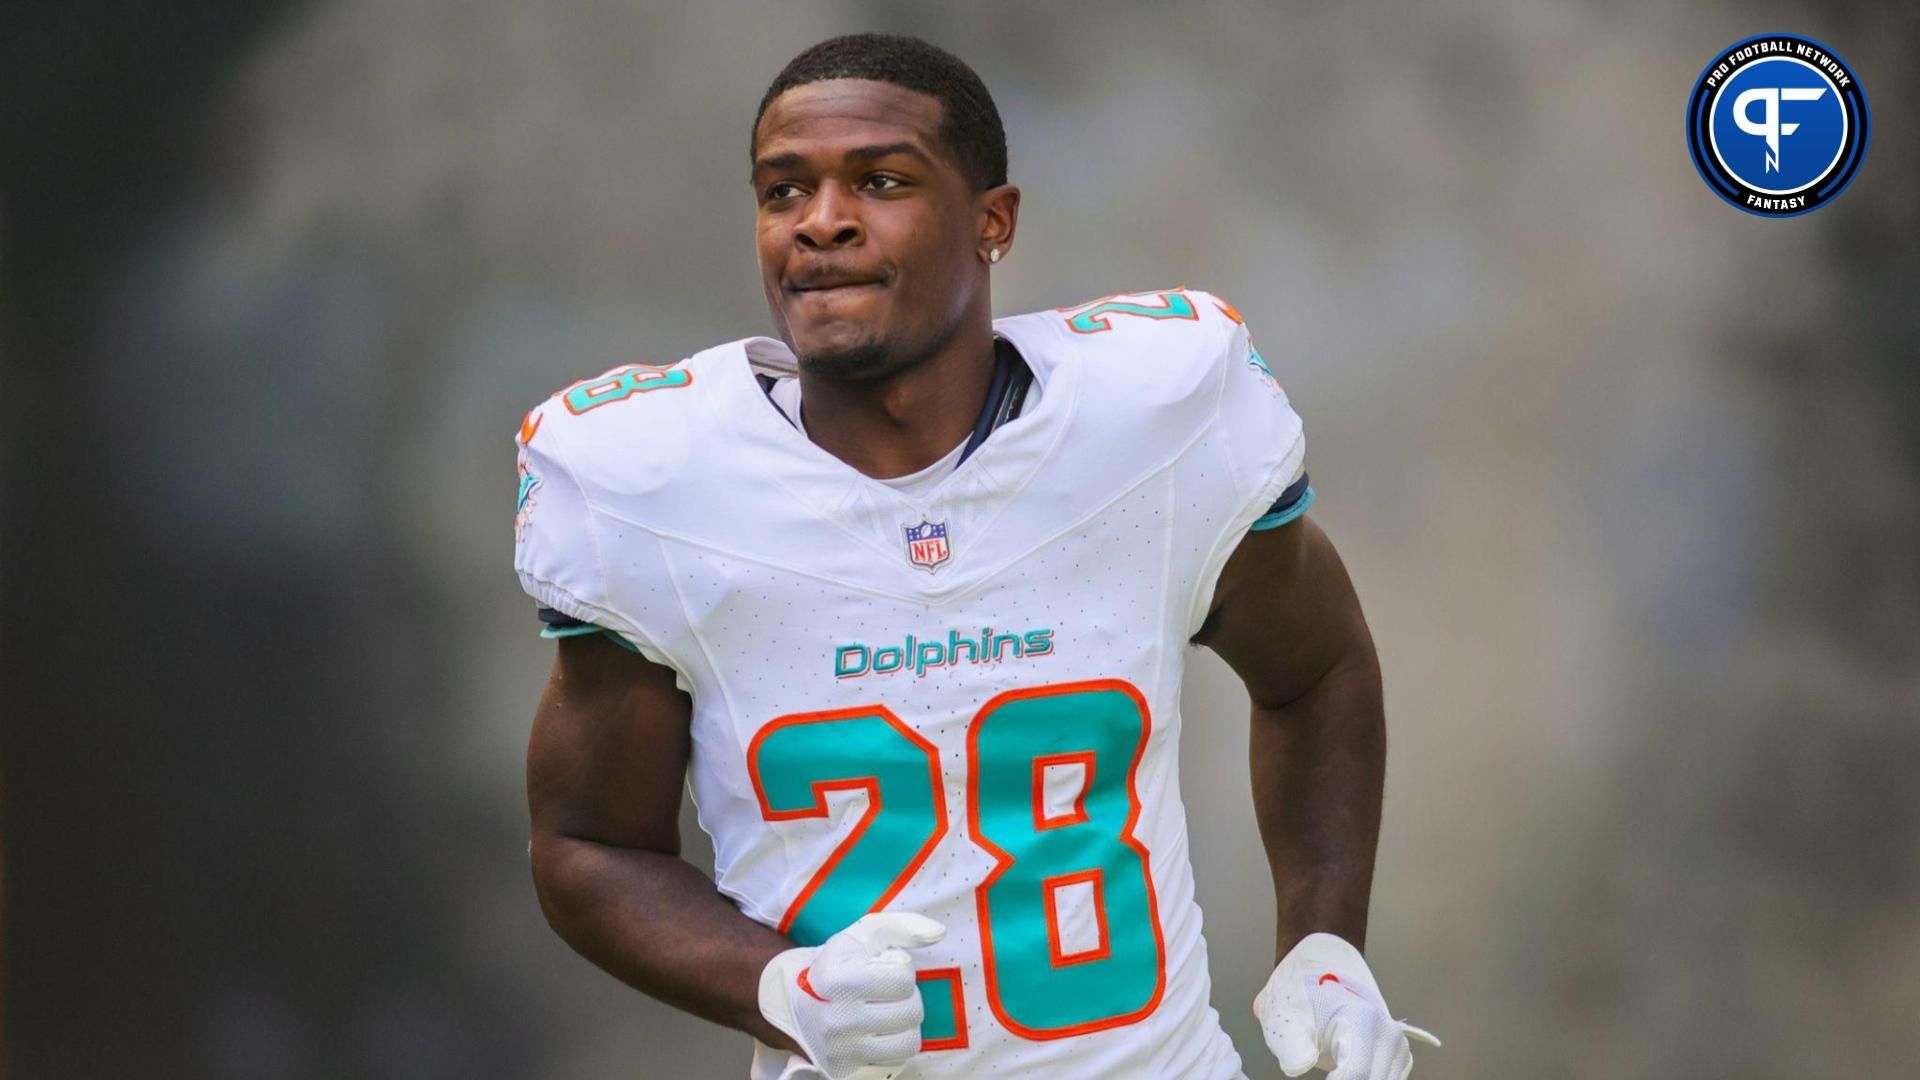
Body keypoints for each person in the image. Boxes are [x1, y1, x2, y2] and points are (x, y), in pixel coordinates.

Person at [516, 32, 1436, 1080]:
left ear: (992, 221)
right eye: (784, 192)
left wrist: (1323, 946)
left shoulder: (1150, 424)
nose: (822, 221)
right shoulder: (660, 485)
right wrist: (773, 984)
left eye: (881, 180)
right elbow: (588, 845)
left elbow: (1315, 668)